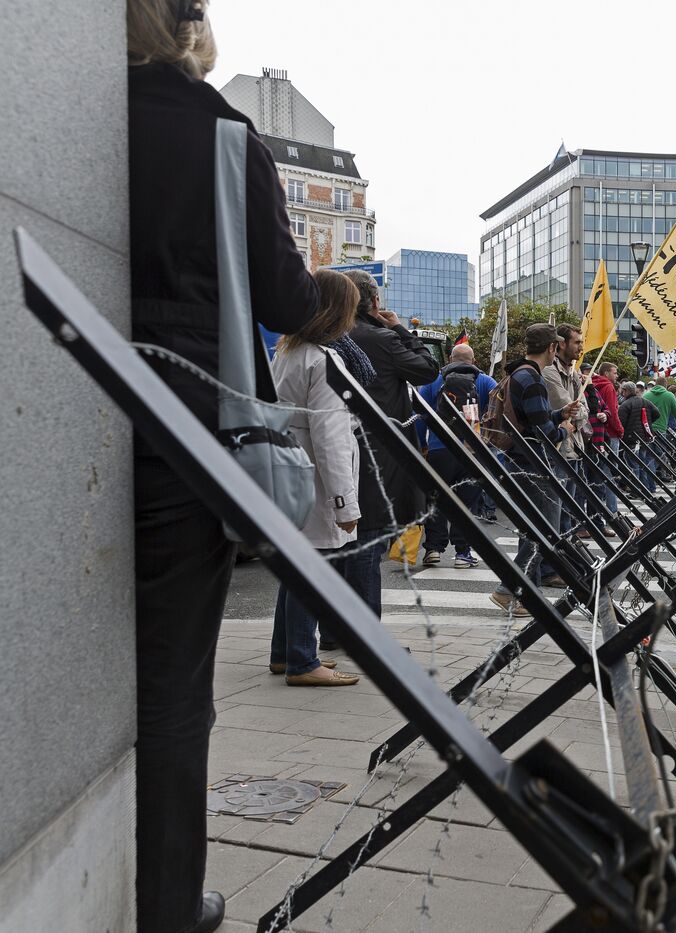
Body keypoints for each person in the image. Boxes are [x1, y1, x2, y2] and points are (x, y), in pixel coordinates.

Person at [128, 2, 319, 928]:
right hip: (182, 419)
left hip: (61, 392)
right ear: (188, 26)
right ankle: (167, 903)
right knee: (172, 681)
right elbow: (284, 294)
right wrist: (343, 292)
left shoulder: (83, 111)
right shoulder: (219, 131)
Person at [268, 269, 365, 688]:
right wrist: (346, 502)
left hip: (290, 467)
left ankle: (283, 653)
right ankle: (303, 661)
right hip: (316, 477)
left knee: (296, 565)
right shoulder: (324, 360)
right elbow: (331, 437)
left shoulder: (288, 351)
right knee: (314, 568)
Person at [342, 269, 437, 623]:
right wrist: (398, 328)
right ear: (375, 301)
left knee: (338, 543)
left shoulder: (327, 336)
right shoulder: (381, 338)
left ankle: (338, 630)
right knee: (369, 541)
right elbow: (429, 369)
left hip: (338, 443)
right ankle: (368, 635)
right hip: (379, 452)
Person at [490, 323, 581, 612]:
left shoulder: (520, 373)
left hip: (519, 459)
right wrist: (565, 428)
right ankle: (510, 590)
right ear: (553, 348)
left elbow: (534, 419)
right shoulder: (532, 379)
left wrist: (557, 414)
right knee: (545, 530)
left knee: (534, 529)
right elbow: (543, 432)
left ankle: (520, 592)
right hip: (532, 462)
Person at [416, 343, 497, 569]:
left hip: (439, 450)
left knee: (436, 500)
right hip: (471, 451)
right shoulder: (484, 381)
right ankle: (462, 553)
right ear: (472, 360)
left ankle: (433, 549)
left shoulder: (434, 380)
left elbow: (420, 414)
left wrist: (422, 445)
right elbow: (496, 413)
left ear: (450, 358)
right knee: (467, 503)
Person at [541, 324, 589, 536]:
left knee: (569, 508)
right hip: (558, 449)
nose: (581, 347)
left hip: (574, 449)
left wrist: (577, 417)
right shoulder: (550, 373)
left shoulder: (574, 373)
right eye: (577, 342)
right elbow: (566, 408)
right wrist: (576, 416)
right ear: (561, 344)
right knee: (556, 509)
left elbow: (584, 411)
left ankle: (568, 550)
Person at [586, 361, 623, 531]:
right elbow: (612, 411)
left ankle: (599, 518)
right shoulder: (607, 387)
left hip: (596, 436)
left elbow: (606, 409)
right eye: (615, 373)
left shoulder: (594, 387)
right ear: (607, 373)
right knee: (606, 477)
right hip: (604, 436)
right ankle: (611, 513)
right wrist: (619, 429)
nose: (617, 376)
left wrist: (605, 414)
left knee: (597, 478)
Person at [618, 381, 660, 492]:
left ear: (626, 391)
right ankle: (649, 488)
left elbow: (620, 423)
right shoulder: (646, 401)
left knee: (634, 465)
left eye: (623, 391)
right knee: (644, 463)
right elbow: (657, 413)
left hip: (631, 439)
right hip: (646, 437)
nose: (622, 393)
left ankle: (637, 490)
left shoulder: (625, 405)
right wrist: (648, 423)